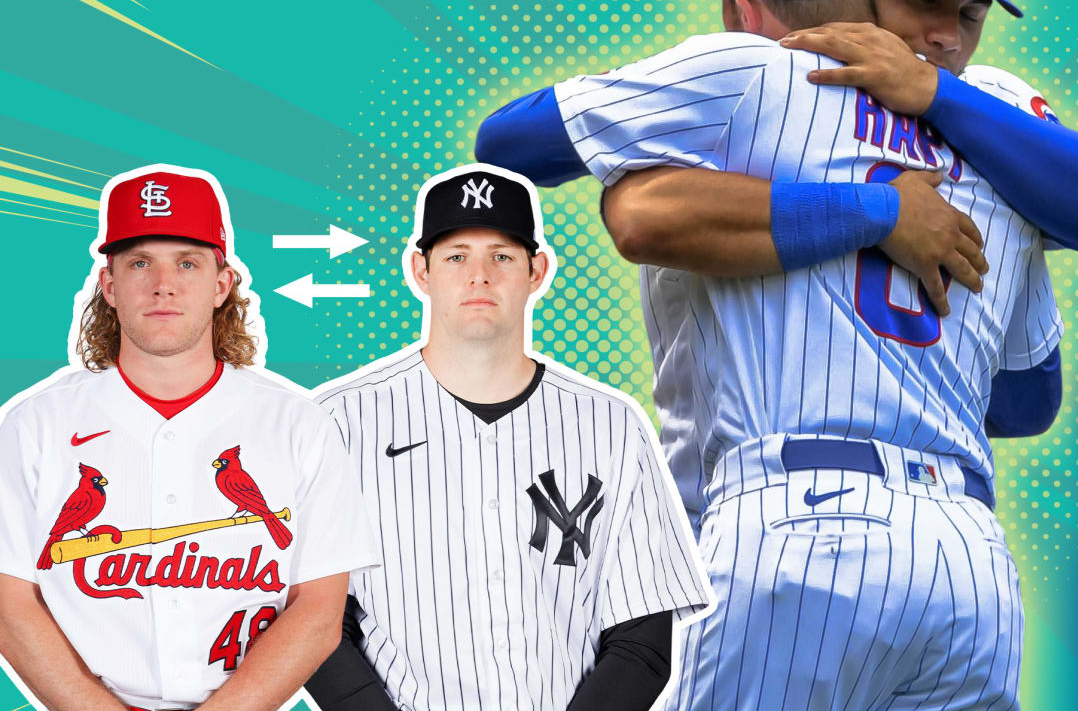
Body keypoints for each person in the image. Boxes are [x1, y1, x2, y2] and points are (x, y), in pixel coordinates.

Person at [476, 0, 1078, 711]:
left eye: (969, 12)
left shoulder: (750, 72)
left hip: (796, 526)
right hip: (967, 561)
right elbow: (1028, 401)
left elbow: (513, 149)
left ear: (742, 4)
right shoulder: (1004, 143)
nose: (947, 36)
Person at [303, 165, 711, 711]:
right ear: (420, 271)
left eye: (501, 255)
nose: (480, 275)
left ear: (536, 270)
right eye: (456, 256)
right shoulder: (341, 421)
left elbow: (642, 638)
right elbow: (314, 623)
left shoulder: (609, 423)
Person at [0, 165, 380, 711]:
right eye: (138, 263)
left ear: (222, 284)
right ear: (108, 285)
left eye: (187, 261)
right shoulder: (35, 425)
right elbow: (10, 603)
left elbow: (319, 614)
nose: (163, 284)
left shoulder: (298, 424)